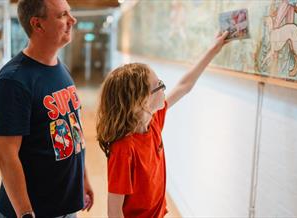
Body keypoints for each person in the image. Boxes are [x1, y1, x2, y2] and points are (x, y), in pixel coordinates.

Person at [96, 31, 229, 218]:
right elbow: (114, 210)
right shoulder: (124, 149)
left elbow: (185, 85)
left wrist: (212, 51)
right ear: (141, 101)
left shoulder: (153, 120)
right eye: (159, 85)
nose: (164, 88)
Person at [0, 0, 93, 217]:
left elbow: (74, 130)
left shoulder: (61, 69)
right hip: (33, 210)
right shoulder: (13, 81)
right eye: (62, 15)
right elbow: (6, 155)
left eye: (70, 14)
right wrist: (25, 212)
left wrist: (83, 179)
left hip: (65, 205)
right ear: (37, 25)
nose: (72, 20)